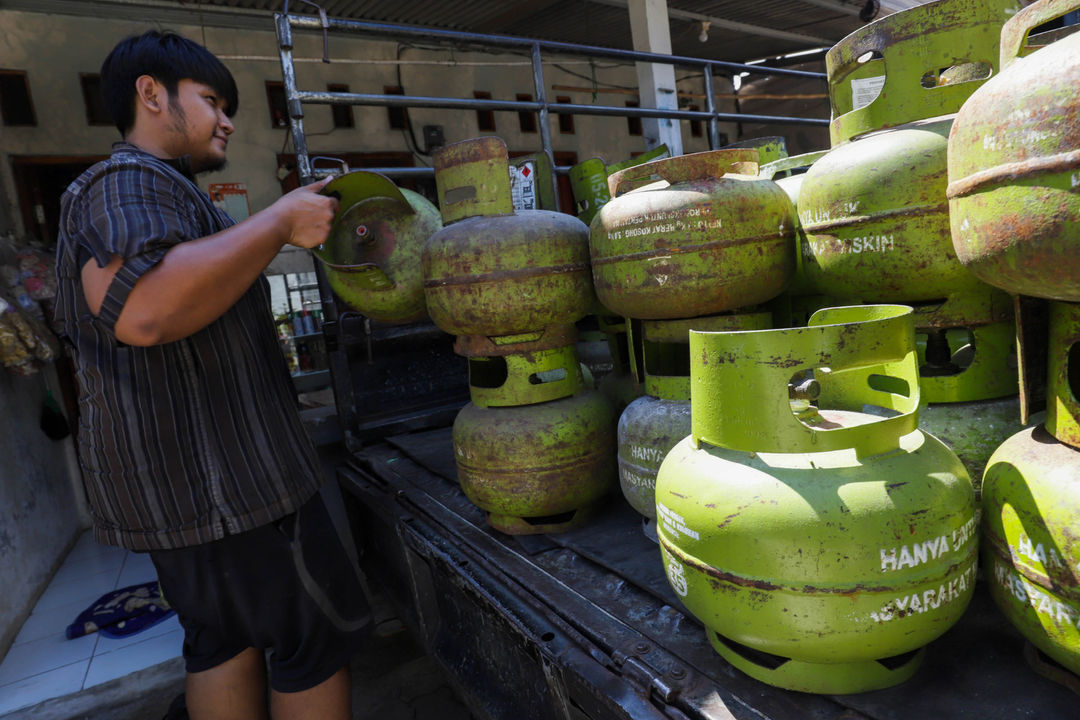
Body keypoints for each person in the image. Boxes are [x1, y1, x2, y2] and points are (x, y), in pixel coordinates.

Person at [54, 30, 368, 720]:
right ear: (151, 93)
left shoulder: (167, 192)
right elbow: (142, 311)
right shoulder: (125, 181)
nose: (228, 119)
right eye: (212, 100)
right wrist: (280, 218)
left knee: (222, 641)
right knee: (311, 640)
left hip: (188, 495)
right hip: (230, 486)